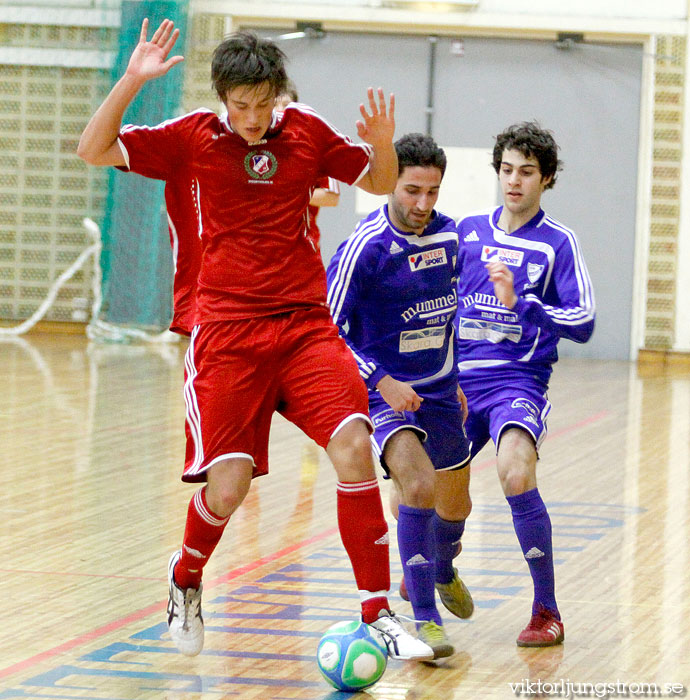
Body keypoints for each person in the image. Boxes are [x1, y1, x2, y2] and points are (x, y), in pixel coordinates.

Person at [77, 18, 434, 661]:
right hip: (225, 333)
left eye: (263, 103)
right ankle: (185, 576)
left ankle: (376, 613)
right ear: (222, 98)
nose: (251, 117)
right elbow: (93, 149)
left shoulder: (307, 131)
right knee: (230, 488)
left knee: (355, 444)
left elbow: (380, 182)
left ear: (279, 94)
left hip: (303, 325)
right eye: (240, 105)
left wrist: (382, 145)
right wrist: (132, 80)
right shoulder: (191, 138)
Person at [327, 133, 474, 659]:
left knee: (456, 506)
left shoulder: (451, 239)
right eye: (412, 190)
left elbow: (451, 316)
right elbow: (326, 328)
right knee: (417, 485)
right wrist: (381, 380)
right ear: (391, 184)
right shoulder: (365, 247)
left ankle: (441, 564)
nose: (423, 204)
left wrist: (455, 379)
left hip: (438, 389)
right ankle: (424, 619)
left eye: (432, 192)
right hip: (382, 393)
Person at [454, 121, 595, 647]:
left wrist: (526, 305)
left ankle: (546, 611)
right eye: (507, 170)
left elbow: (583, 322)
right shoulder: (466, 232)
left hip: (518, 382)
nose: (514, 181)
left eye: (527, 172)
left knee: (515, 473)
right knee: (415, 493)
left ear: (547, 179)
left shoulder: (558, 243)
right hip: (459, 384)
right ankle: (441, 564)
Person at [276, 80, 340, 255]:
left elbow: (332, 197)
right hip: (260, 250)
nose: (280, 110)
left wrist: (287, 192)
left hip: (302, 248)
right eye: (275, 104)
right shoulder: (253, 146)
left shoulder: (314, 143)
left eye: (286, 105)